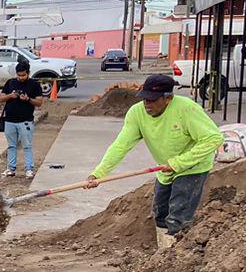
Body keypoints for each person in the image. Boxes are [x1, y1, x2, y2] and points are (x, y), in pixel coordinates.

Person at [84, 73, 223, 249]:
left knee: (177, 215)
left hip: (192, 166)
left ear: (168, 98)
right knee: (160, 212)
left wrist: (179, 163)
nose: (146, 104)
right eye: (144, 99)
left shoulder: (187, 109)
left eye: (152, 100)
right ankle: (164, 253)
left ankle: (178, 256)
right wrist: (99, 173)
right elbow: (120, 145)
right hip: (165, 168)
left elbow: (213, 139)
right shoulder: (137, 113)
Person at [0, 60, 42, 179]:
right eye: (19, 75)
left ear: (28, 73)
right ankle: (11, 169)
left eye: (23, 75)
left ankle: (29, 169)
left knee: (27, 145)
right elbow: (1, 98)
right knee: (11, 146)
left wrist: (28, 99)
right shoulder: (10, 83)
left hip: (25, 121)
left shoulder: (34, 85)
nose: (21, 77)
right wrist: (10, 96)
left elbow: (39, 102)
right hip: (10, 120)